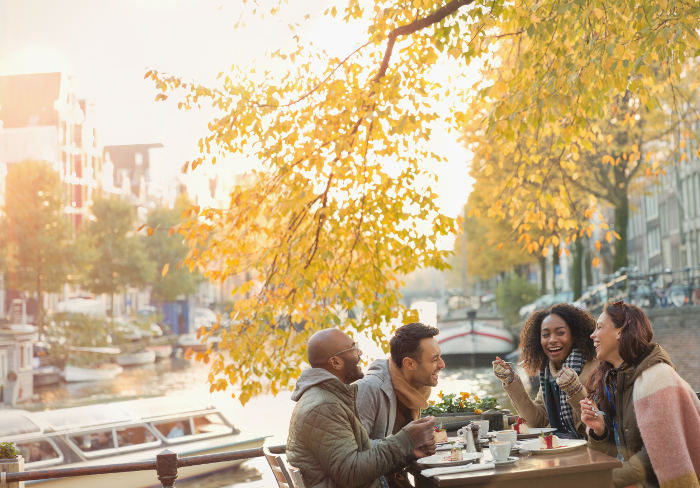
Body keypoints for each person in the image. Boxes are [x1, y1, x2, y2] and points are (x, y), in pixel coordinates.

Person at [286, 328, 437, 488]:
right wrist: (406, 439)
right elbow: (352, 473)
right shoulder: (324, 406)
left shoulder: (324, 399)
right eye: (353, 349)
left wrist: (408, 453)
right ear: (336, 362)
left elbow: (358, 457)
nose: (360, 353)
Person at [579, 300, 700, 488]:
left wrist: (604, 481)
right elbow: (610, 454)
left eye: (600, 327)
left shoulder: (658, 378)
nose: (592, 334)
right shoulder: (611, 380)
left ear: (620, 331)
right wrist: (600, 432)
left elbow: (655, 456)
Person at [355, 322, 445, 488]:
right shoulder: (369, 389)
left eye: (439, 357)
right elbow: (356, 455)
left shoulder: (413, 389)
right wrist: (407, 442)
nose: (442, 364)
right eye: (434, 359)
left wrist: (410, 452)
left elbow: (394, 450)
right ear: (409, 364)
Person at [492, 303, 597, 438]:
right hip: (563, 450)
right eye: (546, 335)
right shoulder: (549, 372)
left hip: (591, 452)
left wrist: (574, 390)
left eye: (560, 333)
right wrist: (511, 381)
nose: (552, 340)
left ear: (575, 335)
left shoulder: (594, 368)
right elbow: (536, 422)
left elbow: (597, 426)